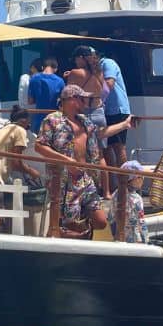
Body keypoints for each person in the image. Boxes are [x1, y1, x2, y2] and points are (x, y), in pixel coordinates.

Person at [34, 84, 108, 237]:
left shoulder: (86, 122)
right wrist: (67, 161)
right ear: (72, 100)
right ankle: (66, 235)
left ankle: (77, 230)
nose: (87, 103)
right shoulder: (52, 120)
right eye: (83, 99)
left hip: (86, 180)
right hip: (62, 180)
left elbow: (97, 146)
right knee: (65, 222)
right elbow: (39, 146)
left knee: (101, 221)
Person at [0, 106, 41, 233]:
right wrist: (32, 172)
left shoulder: (3, 129)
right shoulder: (19, 130)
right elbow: (16, 162)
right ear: (25, 121)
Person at [96, 49, 132, 206]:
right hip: (105, 111)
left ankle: (125, 186)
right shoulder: (96, 68)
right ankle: (112, 185)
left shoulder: (107, 63)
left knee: (119, 148)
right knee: (106, 149)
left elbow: (109, 84)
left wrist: (95, 99)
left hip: (117, 110)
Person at [27, 58, 64, 134]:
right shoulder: (60, 81)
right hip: (55, 119)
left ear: (42, 67)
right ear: (55, 69)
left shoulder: (34, 78)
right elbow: (63, 102)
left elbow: (30, 101)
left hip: (39, 119)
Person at [118, 160, 149, 244]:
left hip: (118, 238)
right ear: (133, 179)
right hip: (135, 240)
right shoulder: (137, 199)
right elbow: (140, 222)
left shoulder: (115, 195)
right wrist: (145, 240)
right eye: (140, 177)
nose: (142, 179)